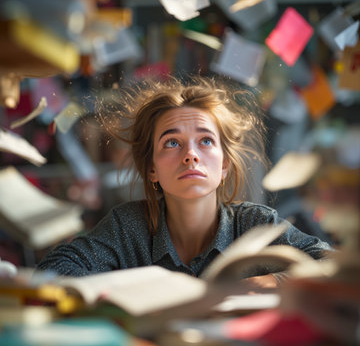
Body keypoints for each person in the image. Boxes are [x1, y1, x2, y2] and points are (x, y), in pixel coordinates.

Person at [37, 76, 333, 288]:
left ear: (225, 165)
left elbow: (332, 266)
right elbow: (54, 270)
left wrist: (266, 282)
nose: (191, 155)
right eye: (171, 143)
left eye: (205, 140)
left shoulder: (256, 225)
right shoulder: (128, 228)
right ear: (152, 169)